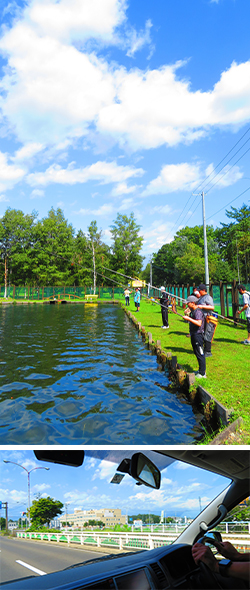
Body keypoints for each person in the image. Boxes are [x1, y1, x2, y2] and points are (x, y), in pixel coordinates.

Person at [183, 295, 206, 378]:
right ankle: (200, 370)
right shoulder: (193, 311)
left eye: (188, 303)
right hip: (194, 334)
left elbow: (199, 323)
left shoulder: (198, 312)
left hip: (198, 335)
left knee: (200, 353)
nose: (187, 305)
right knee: (197, 353)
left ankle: (203, 373)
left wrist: (189, 319)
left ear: (192, 303)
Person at [196, 284, 216, 358]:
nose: (198, 292)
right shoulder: (201, 297)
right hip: (202, 318)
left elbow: (212, 307)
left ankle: (208, 351)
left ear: (203, 290)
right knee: (203, 333)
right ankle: (204, 350)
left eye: (199, 291)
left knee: (208, 334)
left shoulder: (208, 297)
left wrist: (202, 306)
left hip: (207, 318)